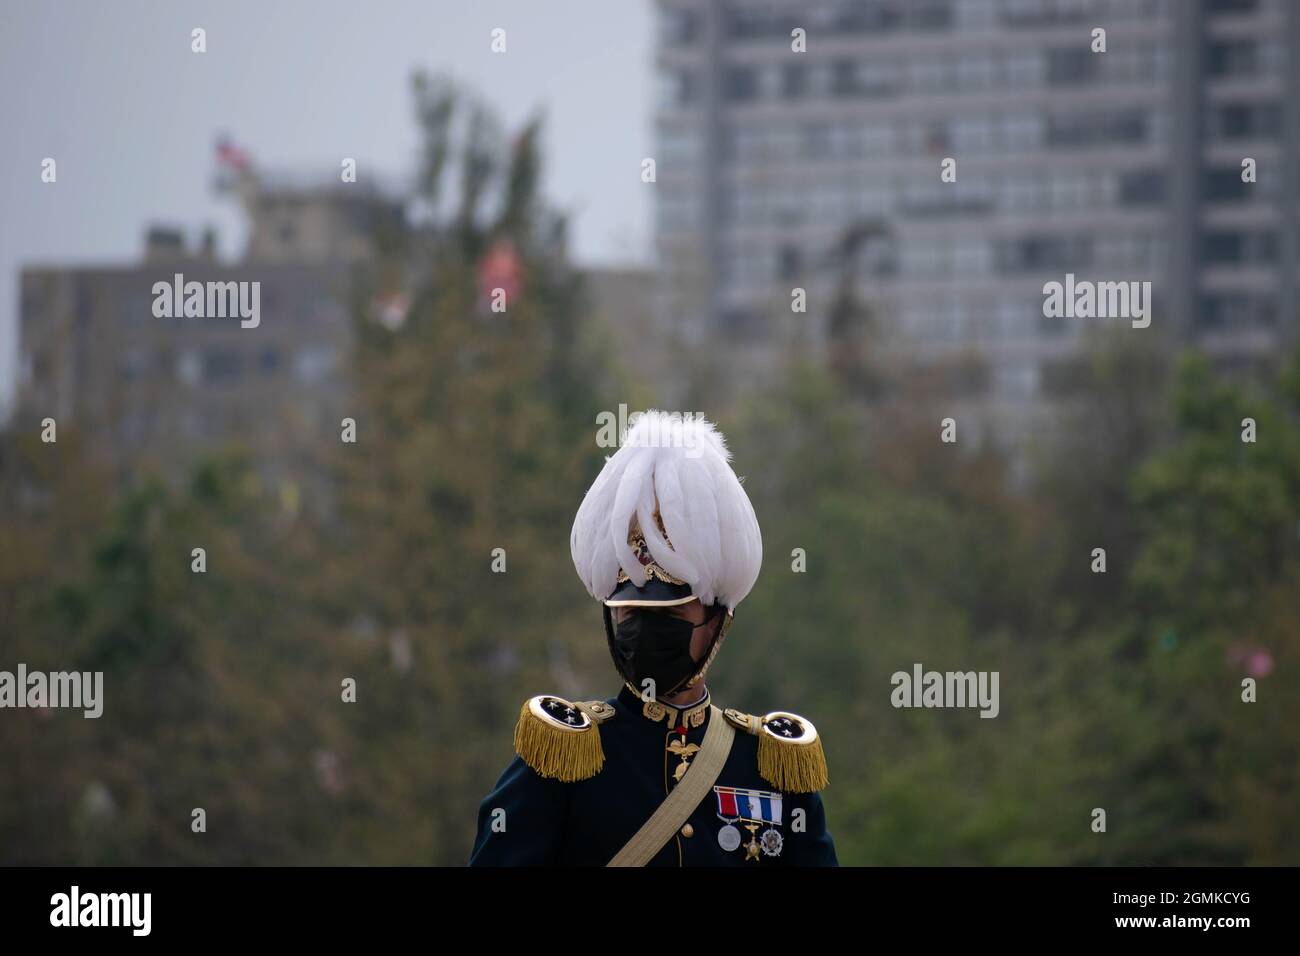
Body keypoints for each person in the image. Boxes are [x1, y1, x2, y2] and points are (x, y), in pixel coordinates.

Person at [468, 411, 838, 866]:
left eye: (671, 612)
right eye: (631, 613)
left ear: (717, 621)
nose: (645, 629)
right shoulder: (564, 758)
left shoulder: (772, 767)